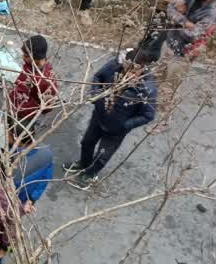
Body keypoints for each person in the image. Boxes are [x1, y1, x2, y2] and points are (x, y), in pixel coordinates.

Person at [65, 47, 157, 190]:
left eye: (134, 71)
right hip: (99, 116)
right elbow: (98, 77)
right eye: (128, 68)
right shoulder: (115, 66)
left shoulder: (147, 89)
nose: (129, 73)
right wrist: (96, 97)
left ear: (143, 69)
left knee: (102, 154)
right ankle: (83, 164)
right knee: (87, 142)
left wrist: (125, 125)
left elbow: (148, 115)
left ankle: (90, 174)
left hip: (117, 129)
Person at [151, 0, 216, 130]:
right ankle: (149, 109)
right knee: (156, 78)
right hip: (169, 43)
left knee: (170, 88)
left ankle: (164, 122)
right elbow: (169, 8)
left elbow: (193, 35)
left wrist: (179, 19)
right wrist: (185, 22)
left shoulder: (211, 13)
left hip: (182, 55)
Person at [6, 34, 59, 139]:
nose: (22, 57)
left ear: (36, 58)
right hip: (18, 108)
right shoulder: (32, 66)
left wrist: (27, 109)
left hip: (24, 115)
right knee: (10, 129)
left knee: (19, 138)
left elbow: (48, 106)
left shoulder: (43, 80)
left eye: (26, 56)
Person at [4, 124, 54, 213]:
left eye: (8, 134)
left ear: (18, 140)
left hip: (9, 200)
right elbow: (44, 179)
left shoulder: (12, 162)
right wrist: (32, 199)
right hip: (25, 201)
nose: (6, 135)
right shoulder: (47, 152)